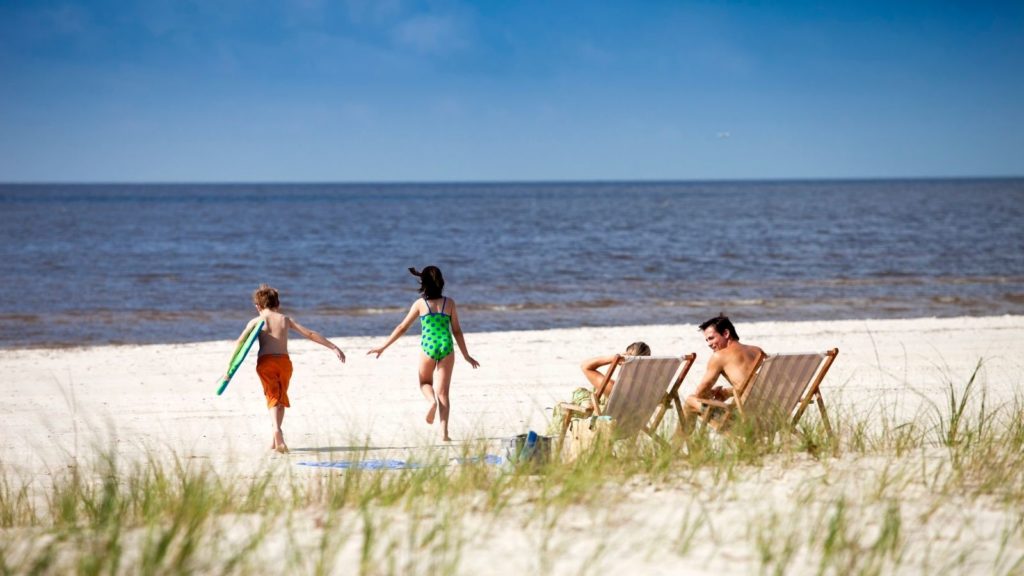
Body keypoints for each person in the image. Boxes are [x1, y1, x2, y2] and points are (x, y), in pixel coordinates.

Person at [224, 284, 346, 453]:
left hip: (265, 362)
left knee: (273, 397)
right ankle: (275, 440)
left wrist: (229, 369)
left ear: (257, 306)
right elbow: (309, 334)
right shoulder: (285, 319)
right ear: (278, 305)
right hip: (284, 362)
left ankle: (276, 431)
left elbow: (240, 343)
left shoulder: (256, 321)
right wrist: (332, 347)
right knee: (280, 398)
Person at [367, 266, 479, 442]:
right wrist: (466, 355)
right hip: (446, 346)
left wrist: (383, 346)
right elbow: (457, 331)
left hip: (428, 346)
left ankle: (431, 402)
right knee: (443, 393)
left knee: (425, 382)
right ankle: (444, 433)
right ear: (441, 282)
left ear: (423, 283)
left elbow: (402, 327)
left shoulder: (420, 304)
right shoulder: (449, 303)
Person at [548, 341, 651, 434]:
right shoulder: (651, 388)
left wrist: (614, 358)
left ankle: (547, 445)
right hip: (632, 427)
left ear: (624, 361)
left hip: (607, 427)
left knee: (562, 406)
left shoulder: (614, 388)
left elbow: (585, 366)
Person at [684, 314, 764, 414]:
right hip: (771, 414)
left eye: (711, 338)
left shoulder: (719, 356)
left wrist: (711, 393)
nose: (709, 343)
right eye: (707, 340)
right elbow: (756, 385)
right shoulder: (757, 351)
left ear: (726, 333)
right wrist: (727, 392)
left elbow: (700, 394)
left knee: (691, 400)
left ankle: (682, 431)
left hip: (745, 417)